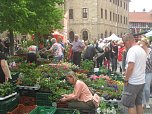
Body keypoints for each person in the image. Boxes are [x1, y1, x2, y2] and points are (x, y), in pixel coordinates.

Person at [121, 33, 147, 114]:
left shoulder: (132, 50)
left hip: (133, 82)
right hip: (141, 81)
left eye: (124, 43)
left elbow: (131, 66)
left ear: (128, 41)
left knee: (130, 105)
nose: (124, 45)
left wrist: (126, 79)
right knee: (138, 103)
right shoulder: (141, 49)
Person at [140, 37, 152, 109]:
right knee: (142, 88)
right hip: (141, 72)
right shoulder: (140, 51)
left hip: (149, 71)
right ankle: (143, 102)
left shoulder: (150, 51)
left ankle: (147, 101)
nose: (141, 44)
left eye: (142, 42)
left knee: (147, 88)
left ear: (145, 43)